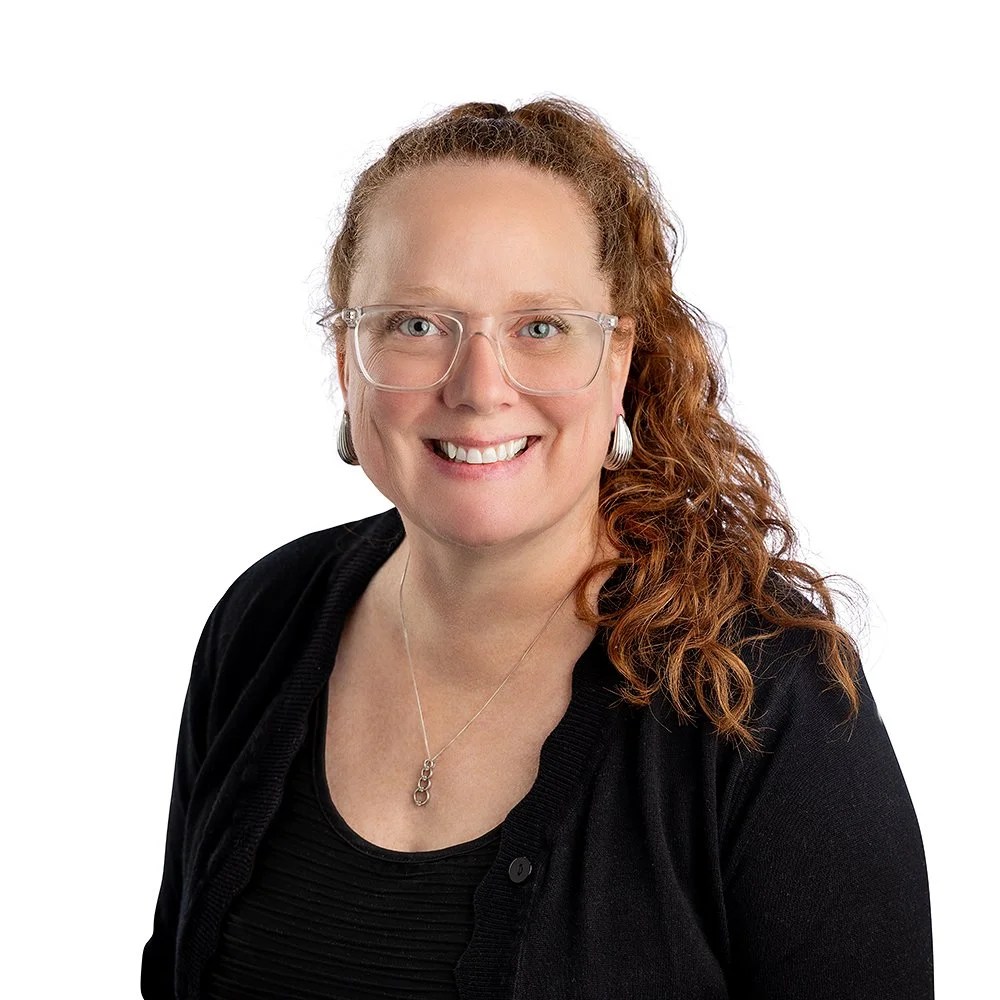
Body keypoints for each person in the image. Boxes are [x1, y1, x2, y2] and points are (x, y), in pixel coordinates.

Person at [141, 98, 933, 999]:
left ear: (622, 360)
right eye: (415, 324)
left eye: (541, 328)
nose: (480, 389)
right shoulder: (263, 621)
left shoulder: (759, 693)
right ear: (344, 361)